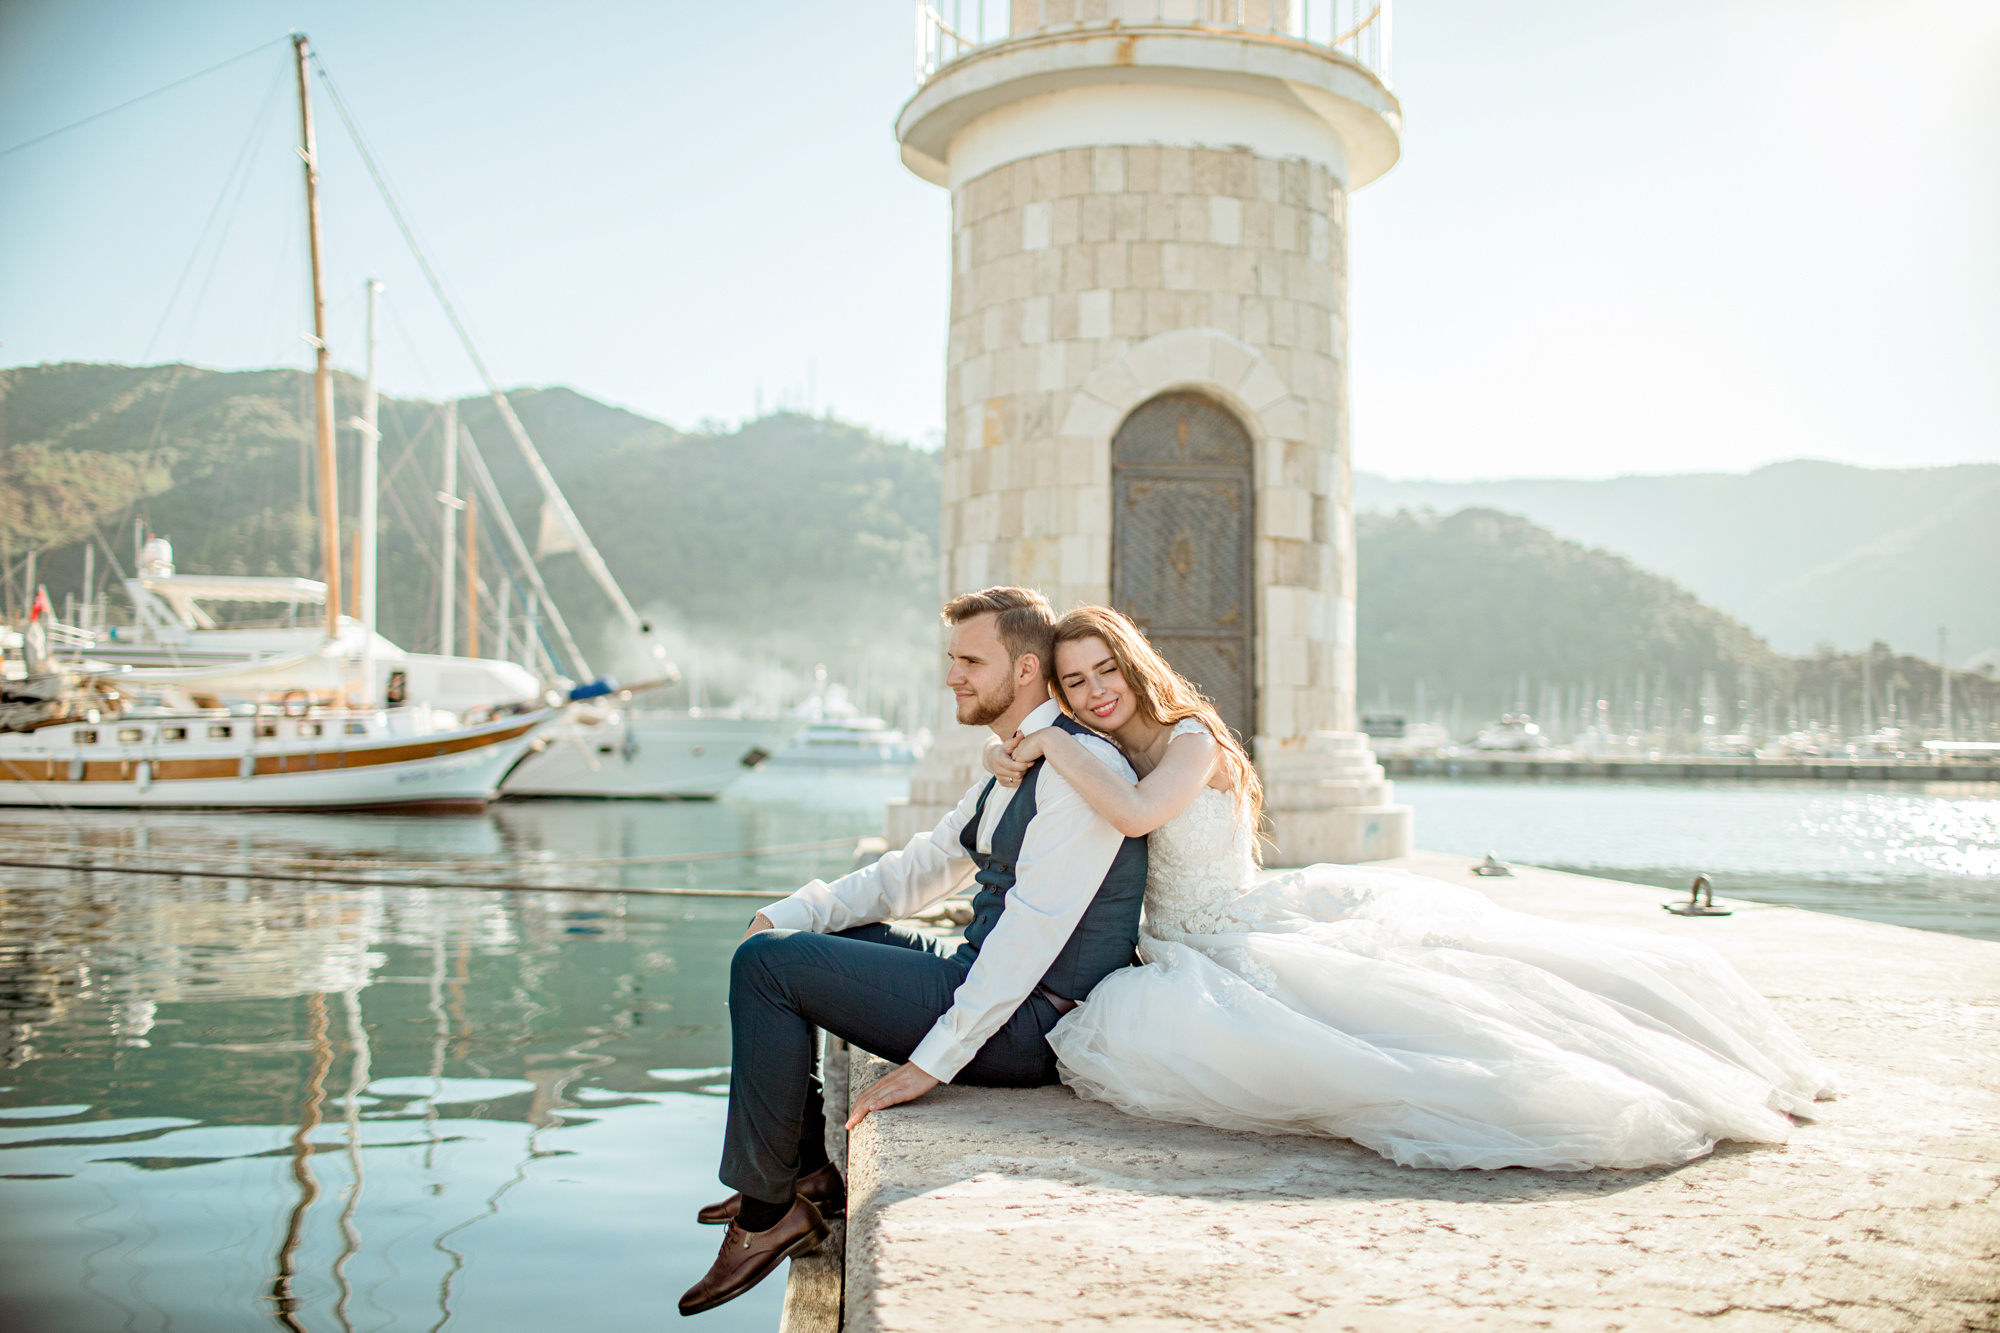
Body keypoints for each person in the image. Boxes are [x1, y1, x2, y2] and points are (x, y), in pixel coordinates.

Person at [982, 605, 1837, 1172]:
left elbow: (1137, 818)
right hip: (1175, 943)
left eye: (1105, 671)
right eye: (1074, 682)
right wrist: (1014, 748)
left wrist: (1047, 743)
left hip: (1228, 932)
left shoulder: (1189, 738)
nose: (1094, 692)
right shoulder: (1104, 750)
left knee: (1403, 1024)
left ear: (1134, 664)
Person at [678, 587, 1147, 1316]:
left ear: (1025, 669)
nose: (952, 675)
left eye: (969, 660)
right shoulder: (1018, 759)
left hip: (1028, 1024)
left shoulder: (1081, 774)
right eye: (951, 658)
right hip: (990, 984)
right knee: (796, 942)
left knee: (767, 970)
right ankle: (802, 1174)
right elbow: (919, 867)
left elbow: (1025, 942)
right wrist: (788, 911)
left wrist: (931, 1064)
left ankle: (768, 1216)